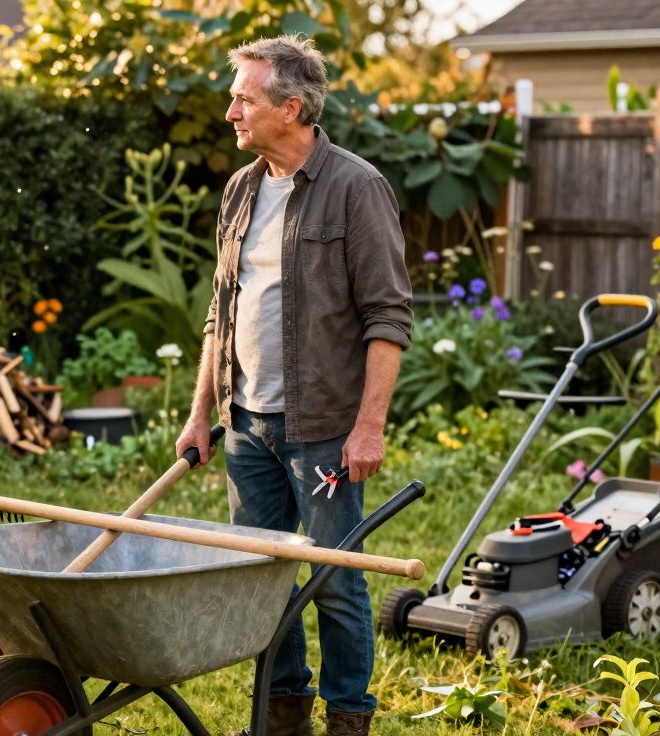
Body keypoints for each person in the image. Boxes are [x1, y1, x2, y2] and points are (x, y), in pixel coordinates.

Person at [174, 35, 413, 736]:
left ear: (292, 108)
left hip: (326, 431)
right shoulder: (241, 190)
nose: (231, 114)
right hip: (247, 423)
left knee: (336, 583)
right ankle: (282, 717)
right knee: (262, 579)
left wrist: (368, 427)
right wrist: (201, 414)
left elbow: (388, 317)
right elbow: (223, 310)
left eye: (244, 99)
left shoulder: (356, 188)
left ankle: (348, 720)